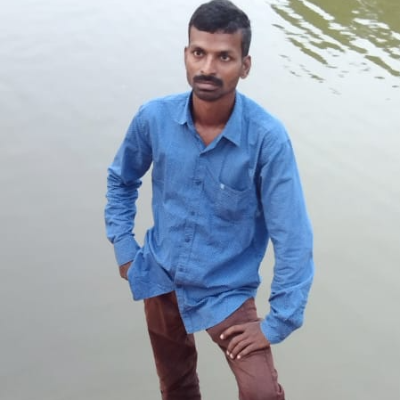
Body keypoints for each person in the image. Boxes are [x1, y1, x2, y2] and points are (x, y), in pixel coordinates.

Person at [105, 0, 314, 399]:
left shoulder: (267, 140)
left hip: (227, 291)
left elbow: (293, 237)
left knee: (261, 392)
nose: (208, 68)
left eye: (224, 57)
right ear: (186, 54)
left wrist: (277, 323)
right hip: (160, 276)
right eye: (199, 53)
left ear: (245, 66)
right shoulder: (154, 118)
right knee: (176, 386)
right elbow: (121, 179)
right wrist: (125, 249)